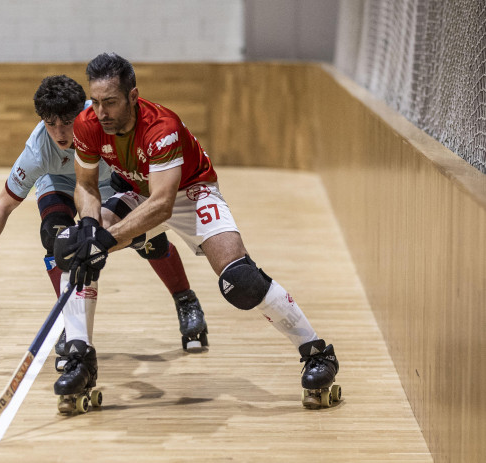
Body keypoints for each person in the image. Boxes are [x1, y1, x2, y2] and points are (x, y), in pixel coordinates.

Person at [52, 53, 340, 409]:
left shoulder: (162, 128)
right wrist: (92, 229)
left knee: (240, 280)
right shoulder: (88, 123)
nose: (102, 112)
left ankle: (317, 352)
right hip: (136, 191)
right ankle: (81, 358)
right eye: (95, 102)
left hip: (190, 192)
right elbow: (87, 187)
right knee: (74, 250)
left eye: (110, 102)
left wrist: (107, 240)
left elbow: (162, 205)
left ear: (133, 96)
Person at [0, 75, 209, 362]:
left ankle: (185, 299)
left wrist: (131, 179)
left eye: (66, 122)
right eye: (50, 123)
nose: (59, 133)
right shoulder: (39, 149)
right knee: (56, 239)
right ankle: (71, 323)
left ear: (84, 111)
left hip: (104, 180)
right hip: (60, 182)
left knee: (147, 238)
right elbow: (5, 203)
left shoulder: (107, 123)